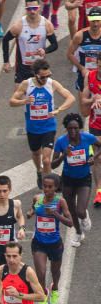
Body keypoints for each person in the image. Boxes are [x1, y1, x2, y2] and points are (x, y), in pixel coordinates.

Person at [9, 58, 75, 188]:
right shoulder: (26, 84)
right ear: (36, 74)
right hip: (32, 128)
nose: (46, 79)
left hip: (48, 126)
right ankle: (39, 172)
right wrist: (25, 101)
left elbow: (71, 97)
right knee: (35, 154)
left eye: (48, 75)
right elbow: (11, 101)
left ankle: (50, 186)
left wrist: (58, 110)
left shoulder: (52, 84)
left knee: (46, 159)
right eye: (43, 77)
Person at [51, 112, 101, 248]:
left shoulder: (87, 138)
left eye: (76, 128)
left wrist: (94, 157)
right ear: (66, 128)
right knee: (71, 209)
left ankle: (84, 216)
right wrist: (63, 156)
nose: (73, 131)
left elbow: (99, 146)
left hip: (84, 178)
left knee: (80, 211)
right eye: (70, 129)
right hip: (68, 179)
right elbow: (52, 164)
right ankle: (78, 233)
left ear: (79, 128)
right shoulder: (61, 142)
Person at [26, 173, 72, 304]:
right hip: (39, 243)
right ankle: (43, 293)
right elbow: (33, 208)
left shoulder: (60, 202)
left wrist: (56, 214)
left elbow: (70, 223)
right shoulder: (37, 198)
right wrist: (30, 213)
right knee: (40, 272)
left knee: (55, 271)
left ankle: (55, 288)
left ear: (56, 187)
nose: (46, 189)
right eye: (45, 186)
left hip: (55, 244)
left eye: (50, 187)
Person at [2, 1, 57, 84]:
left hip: (40, 66)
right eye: (29, 9)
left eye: (34, 8)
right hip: (23, 66)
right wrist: (6, 61)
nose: (32, 11)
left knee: (40, 93)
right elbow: (5, 40)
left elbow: (55, 44)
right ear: (25, 9)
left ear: (39, 7)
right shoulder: (19, 25)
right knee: (18, 93)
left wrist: (45, 51)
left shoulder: (46, 24)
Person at [81, 51, 101, 206]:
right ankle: (99, 191)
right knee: (98, 159)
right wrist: (92, 99)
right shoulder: (91, 76)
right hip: (95, 124)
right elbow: (83, 99)